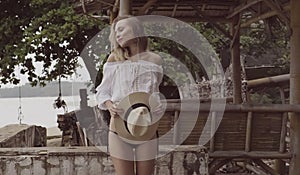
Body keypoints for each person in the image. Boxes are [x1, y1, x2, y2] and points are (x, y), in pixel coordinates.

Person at [95, 15, 164, 175]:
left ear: (136, 30)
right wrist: (109, 105)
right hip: (119, 126)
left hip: (146, 125)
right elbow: (102, 91)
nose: (117, 34)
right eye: (115, 32)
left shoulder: (155, 60)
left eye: (121, 29)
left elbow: (154, 93)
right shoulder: (114, 58)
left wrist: (158, 107)